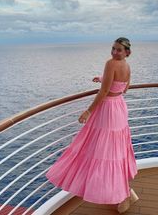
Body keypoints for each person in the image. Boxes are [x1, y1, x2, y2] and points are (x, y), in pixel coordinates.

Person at [46, 37, 138, 213]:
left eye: (118, 49)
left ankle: (122, 194)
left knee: (104, 151)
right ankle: (124, 192)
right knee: (117, 151)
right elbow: (124, 88)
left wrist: (88, 111)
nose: (114, 52)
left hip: (108, 109)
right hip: (119, 107)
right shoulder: (126, 65)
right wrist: (104, 78)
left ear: (126, 52)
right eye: (113, 48)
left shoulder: (111, 63)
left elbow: (104, 92)